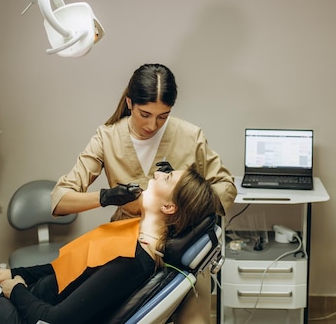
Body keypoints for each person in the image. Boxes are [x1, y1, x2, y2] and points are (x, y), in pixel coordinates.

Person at [0, 165, 220, 324]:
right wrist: (11, 274)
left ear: (169, 208)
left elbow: (56, 321)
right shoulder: (133, 232)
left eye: (168, 178)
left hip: (19, 313)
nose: (160, 174)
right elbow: (60, 271)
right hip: (24, 293)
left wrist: (14, 288)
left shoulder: (134, 261)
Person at [51, 63, 236, 324]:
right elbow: (59, 200)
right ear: (129, 103)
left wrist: (188, 195)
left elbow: (226, 186)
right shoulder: (107, 138)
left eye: (163, 116)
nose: (152, 125)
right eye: (145, 114)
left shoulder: (190, 136)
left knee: (196, 319)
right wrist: (106, 197)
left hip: (178, 250)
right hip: (126, 250)